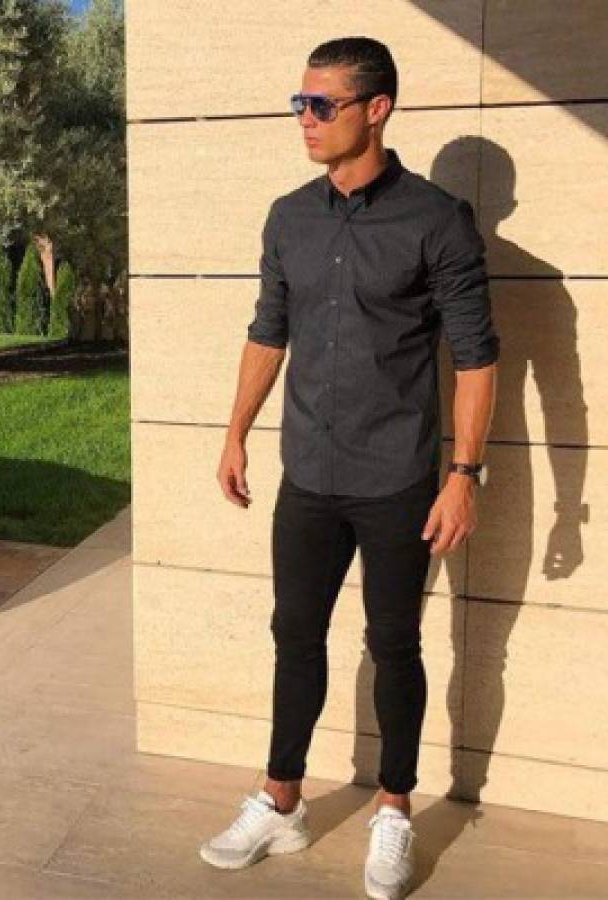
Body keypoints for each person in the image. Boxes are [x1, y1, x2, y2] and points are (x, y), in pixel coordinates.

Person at [201, 36, 500, 900]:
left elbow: (477, 357)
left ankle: (395, 810)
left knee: (395, 643)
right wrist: (235, 432)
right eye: (299, 103)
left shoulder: (436, 220)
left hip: (398, 476)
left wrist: (464, 476)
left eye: (321, 104)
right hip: (308, 470)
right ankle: (281, 800)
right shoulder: (288, 216)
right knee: (293, 634)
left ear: (376, 110)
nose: (305, 119)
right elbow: (269, 332)